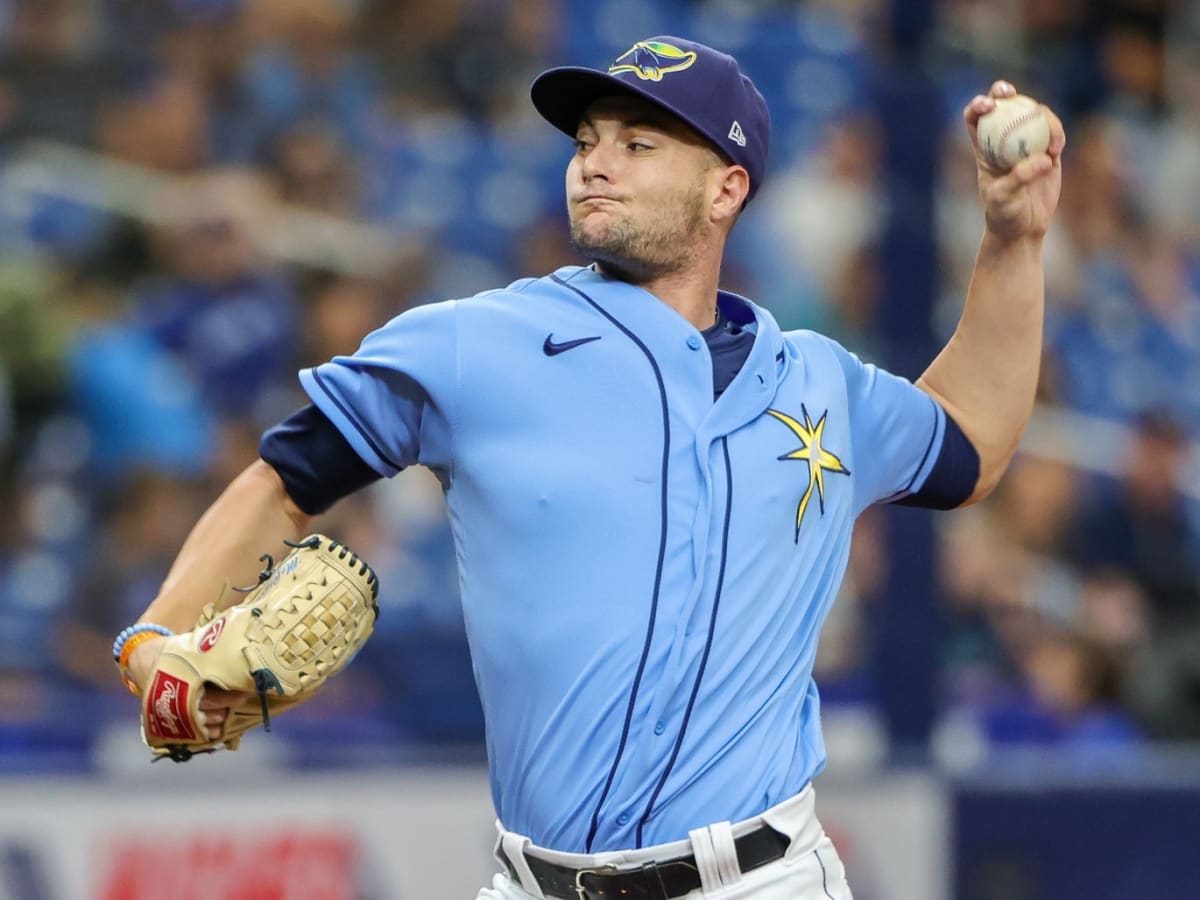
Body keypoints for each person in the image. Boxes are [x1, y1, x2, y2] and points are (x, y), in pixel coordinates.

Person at [116, 36, 1065, 900]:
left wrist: (1013, 239)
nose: (595, 163)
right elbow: (282, 480)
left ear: (727, 188)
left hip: (762, 879)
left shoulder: (819, 382)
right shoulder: (473, 346)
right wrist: (153, 640)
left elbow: (969, 442)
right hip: (534, 882)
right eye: (585, 142)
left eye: (638, 143)